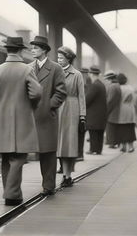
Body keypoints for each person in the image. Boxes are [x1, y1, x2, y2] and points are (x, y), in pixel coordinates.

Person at [0, 37, 42, 206]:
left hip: (1, 119)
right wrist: (31, 104)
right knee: (19, 157)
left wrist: (0, 104)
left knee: (6, 158)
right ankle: (12, 194)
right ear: (20, 50)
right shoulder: (26, 69)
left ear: (7, 50)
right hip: (22, 118)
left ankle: (9, 192)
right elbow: (36, 93)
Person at [29, 36, 67, 196]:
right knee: (30, 151)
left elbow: (61, 92)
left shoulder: (56, 68)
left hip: (47, 117)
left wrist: (49, 106)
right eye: (32, 48)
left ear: (44, 50)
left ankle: (49, 186)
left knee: (48, 151)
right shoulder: (28, 67)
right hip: (30, 116)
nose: (32, 50)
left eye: (35, 48)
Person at [56, 47, 86, 187]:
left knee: (69, 143)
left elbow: (81, 97)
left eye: (61, 58)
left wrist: (82, 116)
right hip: (57, 109)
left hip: (72, 109)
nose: (58, 60)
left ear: (68, 58)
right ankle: (64, 173)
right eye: (58, 57)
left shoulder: (77, 74)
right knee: (60, 144)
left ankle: (67, 175)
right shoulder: (56, 72)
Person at [85, 66, 107, 155]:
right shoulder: (101, 84)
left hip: (94, 114)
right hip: (101, 114)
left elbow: (87, 99)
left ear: (91, 74)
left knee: (93, 132)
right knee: (99, 133)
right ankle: (98, 150)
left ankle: (93, 149)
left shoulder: (94, 85)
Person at [116, 73, 136, 152]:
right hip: (130, 110)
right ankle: (131, 146)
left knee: (121, 129)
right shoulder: (131, 88)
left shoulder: (119, 88)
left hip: (121, 111)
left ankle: (123, 146)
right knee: (130, 129)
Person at [103, 70, 121, 148]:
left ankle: (111, 143)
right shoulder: (118, 85)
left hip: (111, 111)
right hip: (117, 109)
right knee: (115, 127)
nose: (106, 81)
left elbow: (109, 101)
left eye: (106, 79)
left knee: (110, 127)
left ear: (109, 79)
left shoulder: (112, 87)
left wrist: (105, 110)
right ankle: (116, 142)